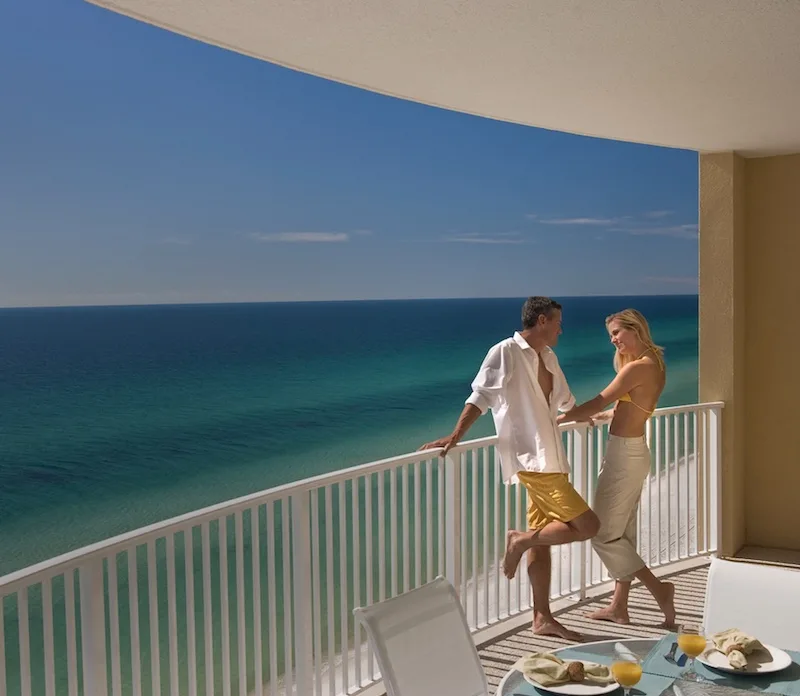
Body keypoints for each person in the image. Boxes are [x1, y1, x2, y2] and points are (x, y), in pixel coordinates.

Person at [419, 296, 600, 641]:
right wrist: (455, 435)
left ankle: (541, 617)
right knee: (588, 525)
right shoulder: (505, 351)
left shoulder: (548, 356)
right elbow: (480, 396)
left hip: (552, 457)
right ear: (542, 321)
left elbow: (564, 401)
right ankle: (517, 541)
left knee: (543, 540)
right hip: (533, 460)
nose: (562, 328)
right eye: (558, 322)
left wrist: (586, 416)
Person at [557, 309, 676, 627]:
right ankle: (619, 606)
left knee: (602, 534)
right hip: (633, 451)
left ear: (635, 329)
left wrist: (556, 420)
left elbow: (599, 400)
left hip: (624, 457)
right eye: (610, 336)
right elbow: (634, 406)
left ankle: (659, 589)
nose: (613, 341)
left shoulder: (637, 368)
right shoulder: (654, 362)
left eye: (617, 333)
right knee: (623, 532)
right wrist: (607, 417)